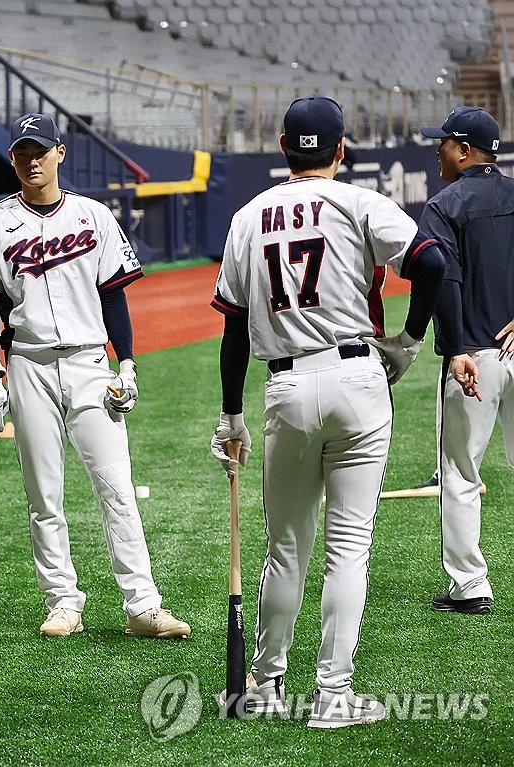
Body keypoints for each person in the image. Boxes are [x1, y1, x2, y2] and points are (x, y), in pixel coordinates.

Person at [209, 96, 446, 727]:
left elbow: (234, 331)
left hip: (285, 386)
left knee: (285, 547)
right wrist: (410, 339)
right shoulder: (359, 202)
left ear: (283, 146)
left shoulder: (247, 216)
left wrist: (230, 414)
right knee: (349, 546)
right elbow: (431, 262)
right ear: (341, 150)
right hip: (357, 378)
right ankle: (333, 695)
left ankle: (265, 684)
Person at [0, 113, 190, 641]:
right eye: (21, 152)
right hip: (27, 364)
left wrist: (127, 362)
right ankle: (63, 601)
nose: (31, 160)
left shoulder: (94, 216)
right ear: (13, 159)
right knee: (45, 494)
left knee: (115, 486)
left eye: (40, 150)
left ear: (60, 153)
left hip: (91, 364)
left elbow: (114, 292)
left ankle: (143, 605)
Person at [418, 106, 512, 615]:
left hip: (475, 354)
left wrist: (454, 348)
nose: (437, 151)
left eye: (444, 144)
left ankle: (470, 585)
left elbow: (444, 281)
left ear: (463, 150)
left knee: (459, 472)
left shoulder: (443, 204)